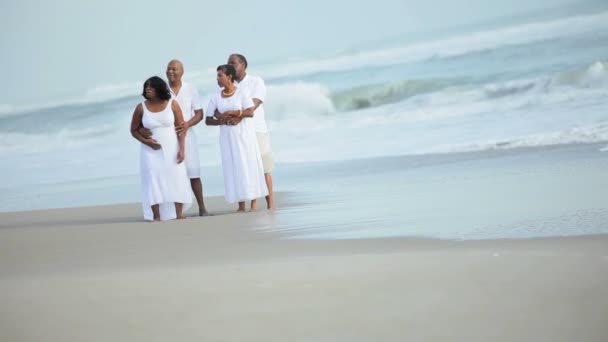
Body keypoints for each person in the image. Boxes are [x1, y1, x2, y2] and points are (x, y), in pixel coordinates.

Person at [139, 60, 208, 216]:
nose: (171, 71)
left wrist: (187, 124)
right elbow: (149, 113)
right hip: (168, 138)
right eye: (168, 69)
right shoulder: (161, 89)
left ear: (182, 72)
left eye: (174, 69)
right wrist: (143, 130)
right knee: (169, 172)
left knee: (193, 171)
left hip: (187, 136)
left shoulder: (190, 89)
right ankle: (171, 210)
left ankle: (202, 207)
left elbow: (199, 113)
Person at [205, 64, 268, 212]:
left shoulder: (242, 93)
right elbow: (208, 119)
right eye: (217, 76)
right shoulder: (215, 97)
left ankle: (253, 203)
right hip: (227, 139)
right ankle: (241, 205)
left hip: (244, 136)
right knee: (234, 168)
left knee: (249, 165)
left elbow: (250, 112)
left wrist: (236, 113)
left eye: (220, 75)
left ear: (229, 77)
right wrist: (221, 120)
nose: (217, 79)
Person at [130, 76, 192, 221]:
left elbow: (181, 129)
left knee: (176, 177)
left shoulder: (172, 104)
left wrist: (182, 149)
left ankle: (179, 214)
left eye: (151, 87)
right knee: (153, 179)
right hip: (150, 151)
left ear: (159, 89)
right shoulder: (141, 107)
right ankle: (156, 216)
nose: (148, 89)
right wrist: (146, 141)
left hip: (172, 148)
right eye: (146, 87)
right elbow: (133, 130)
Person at [226, 53, 275, 210]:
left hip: (257, 129)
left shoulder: (255, 81)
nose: (230, 66)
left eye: (233, 63)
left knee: (264, 168)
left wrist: (239, 115)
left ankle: (270, 204)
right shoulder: (229, 85)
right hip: (239, 132)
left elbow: (255, 103)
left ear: (243, 65)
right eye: (228, 63)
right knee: (245, 167)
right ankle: (247, 204)